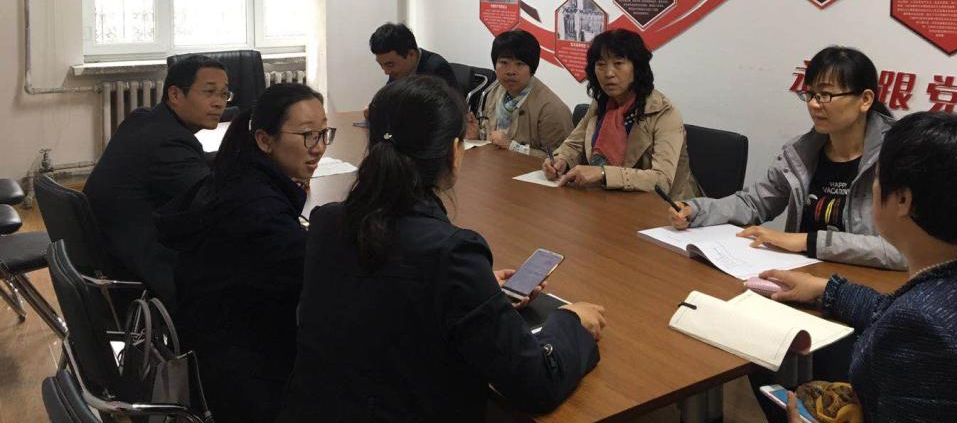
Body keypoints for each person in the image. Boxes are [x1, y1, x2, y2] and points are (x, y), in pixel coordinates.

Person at [279, 76, 604, 422]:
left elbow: (383, 297)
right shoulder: (452, 254)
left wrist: (476, 291)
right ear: (454, 151)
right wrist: (569, 322)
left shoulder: (326, 222)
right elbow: (535, 383)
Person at [768, 112, 957, 423]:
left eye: (876, 178)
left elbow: (914, 322)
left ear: (902, 199)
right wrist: (826, 289)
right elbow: (894, 311)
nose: (873, 188)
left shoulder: (920, 327)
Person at [155, 83, 330, 423]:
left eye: (324, 134)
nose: (319, 147)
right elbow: (316, 280)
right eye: (308, 135)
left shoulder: (235, 177)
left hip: (214, 347)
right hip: (247, 378)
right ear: (264, 140)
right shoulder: (258, 211)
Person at [668, 46, 904, 270]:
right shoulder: (801, 152)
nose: (814, 104)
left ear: (865, 99)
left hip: (864, 284)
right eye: (810, 94)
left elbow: (902, 250)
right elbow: (754, 203)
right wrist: (696, 210)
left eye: (825, 95)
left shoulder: (900, 157)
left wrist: (807, 241)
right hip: (800, 275)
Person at [84, 55, 228, 308]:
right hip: (144, 270)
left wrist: (234, 157)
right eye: (209, 92)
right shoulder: (170, 142)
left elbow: (193, 162)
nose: (219, 103)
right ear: (175, 94)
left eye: (224, 94)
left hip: (109, 250)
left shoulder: (144, 118)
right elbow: (215, 202)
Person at [542, 29, 700, 200]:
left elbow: (661, 180)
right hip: (609, 199)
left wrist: (603, 173)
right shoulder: (602, 103)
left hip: (666, 207)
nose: (609, 73)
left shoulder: (664, 113)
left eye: (618, 63)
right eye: (601, 65)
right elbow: (574, 145)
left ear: (636, 68)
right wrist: (560, 160)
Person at [466, 29, 573, 157]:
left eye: (519, 64)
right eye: (504, 63)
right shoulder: (495, 91)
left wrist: (512, 147)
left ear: (532, 69)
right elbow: (494, 137)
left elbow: (558, 160)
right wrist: (478, 135)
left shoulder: (551, 109)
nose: (511, 71)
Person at [368, 22, 458, 89]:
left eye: (390, 64)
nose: (386, 71)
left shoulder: (436, 68)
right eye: (381, 64)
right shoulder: (396, 70)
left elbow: (450, 107)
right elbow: (389, 96)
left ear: (411, 54)